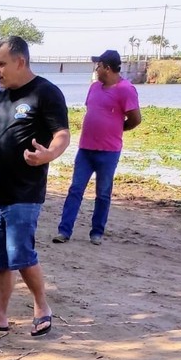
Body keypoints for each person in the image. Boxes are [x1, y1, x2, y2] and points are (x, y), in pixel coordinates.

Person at [0, 36, 70, 337]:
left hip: (25, 192)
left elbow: (62, 134)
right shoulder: (2, 97)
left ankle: (42, 307)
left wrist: (50, 154)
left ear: (20, 62)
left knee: (21, 255)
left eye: (0, 63)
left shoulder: (46, 93)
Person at [53, 49, 141, 245]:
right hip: (85, 150)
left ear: (107, 68)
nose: (96, 69)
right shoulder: (94, 88)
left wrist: (117, 129)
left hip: (109, 152)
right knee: (75, 189)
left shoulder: (126, 90)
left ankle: (97, 232)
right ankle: (64, 231)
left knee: (102, 193)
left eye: (98, 66)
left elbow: (135, 119)